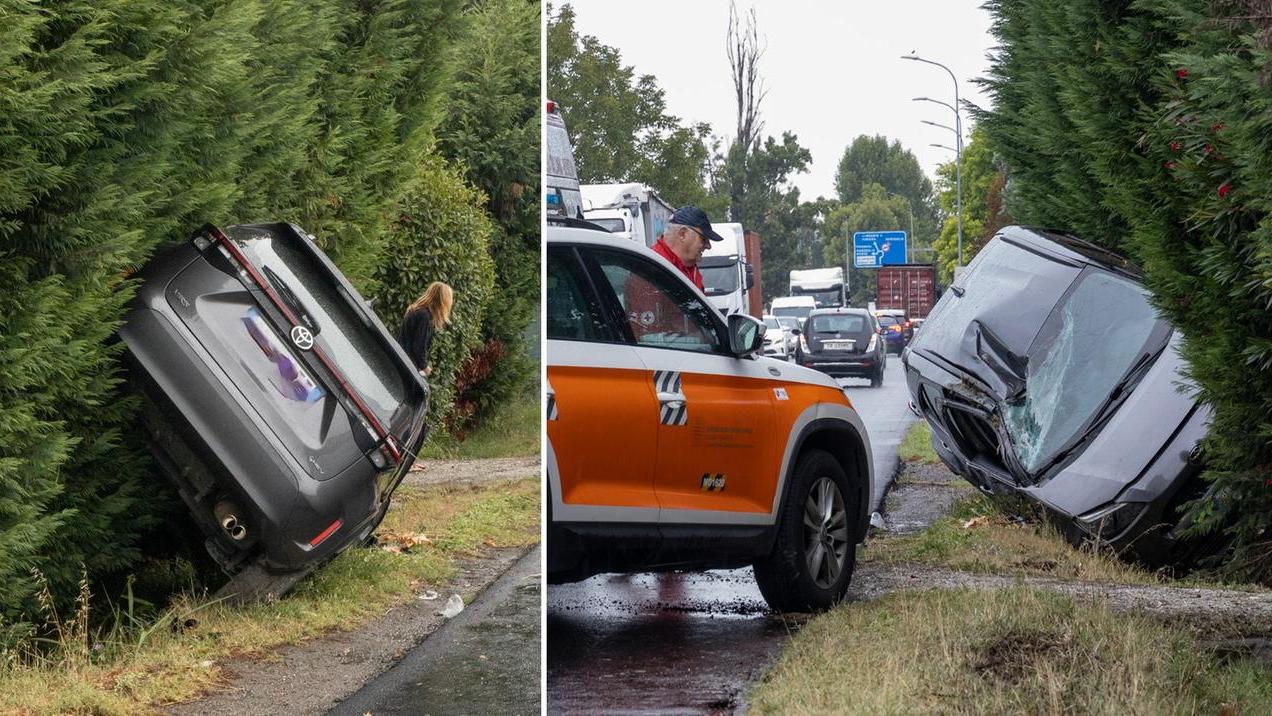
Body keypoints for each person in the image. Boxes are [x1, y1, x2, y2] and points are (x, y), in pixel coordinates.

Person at [649, 205, 724, 290]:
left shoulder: (689, 267)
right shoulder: (654, 268)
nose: (708, 246)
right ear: (683, 234)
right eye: (703, 239)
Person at [397, 281, 453, 376]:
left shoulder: (416, 310)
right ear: (442, 301)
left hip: (400, 357)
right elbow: (419, 345)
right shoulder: (424, 316)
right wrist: (424, 366)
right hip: (407, 364)